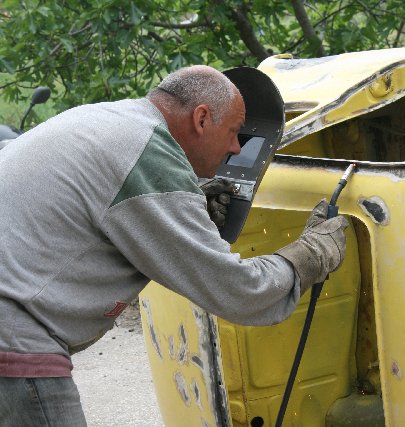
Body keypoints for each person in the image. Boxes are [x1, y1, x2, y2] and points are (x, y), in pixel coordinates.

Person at [0, 65, 348, 426]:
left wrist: (186, 209)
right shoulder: (149, 156)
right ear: (201, 119)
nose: (235, 147)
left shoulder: (110, 120)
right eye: (233, 133)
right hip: (15, 339)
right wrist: (309, 256)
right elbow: (236, 291)